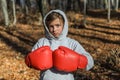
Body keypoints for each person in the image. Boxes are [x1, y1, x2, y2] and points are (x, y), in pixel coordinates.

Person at [25, 9, 94, 80]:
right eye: (51, 26)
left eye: (57, 25)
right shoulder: (42, 42)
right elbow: (29, 60)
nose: (54, 29)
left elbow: (90, 62)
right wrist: (31, 61)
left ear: (64, 25)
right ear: (47, 27)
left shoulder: (71, 43)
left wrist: (79, 61)